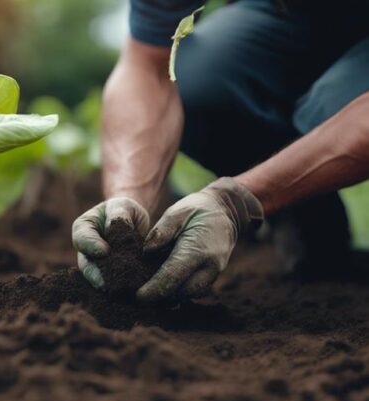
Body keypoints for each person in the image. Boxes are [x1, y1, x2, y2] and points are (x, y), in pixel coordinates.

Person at [73, 0, 369, 302]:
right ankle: (308, 217)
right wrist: (126, 199)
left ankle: (282, 191)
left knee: (329, 106)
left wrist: (236, 201)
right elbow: (146, 65)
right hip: (294, 18)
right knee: (192, 75)